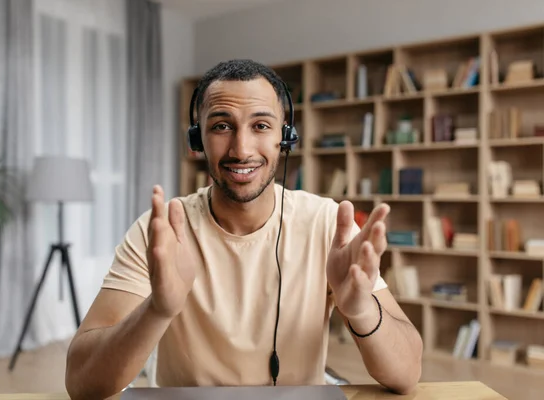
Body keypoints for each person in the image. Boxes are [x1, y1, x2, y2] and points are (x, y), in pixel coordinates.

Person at [65, 59, 423, 400]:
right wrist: (157, 310)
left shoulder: (326, 224)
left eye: (261, 125)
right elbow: (81, 383)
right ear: (197, 140)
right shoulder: (160, 233)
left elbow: (407, 375)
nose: (241, 148)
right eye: (221, 126)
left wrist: (361, 310)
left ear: (285, 137)